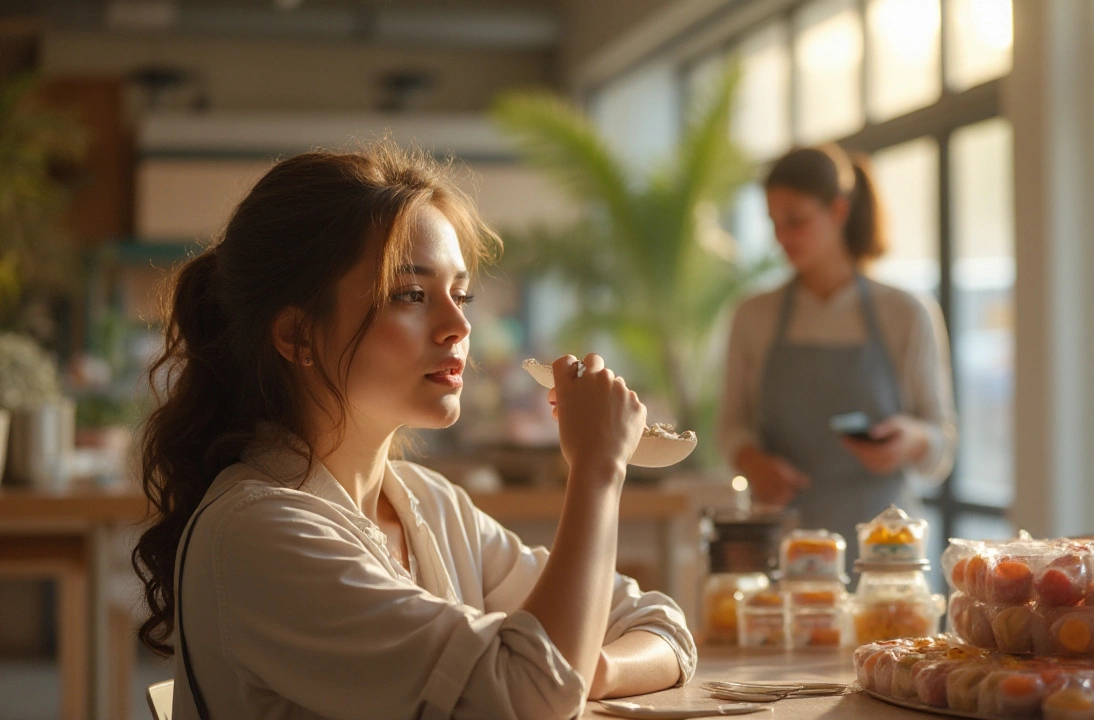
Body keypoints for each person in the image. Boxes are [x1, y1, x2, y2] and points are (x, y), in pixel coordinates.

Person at [131, 142, 695, 719]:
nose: (459, 325)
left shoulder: (430, 503)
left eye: (461, 293)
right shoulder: (257, 532)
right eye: (410, 295)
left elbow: (662, 626)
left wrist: (583, 666)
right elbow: (532, 700)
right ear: (297, 336)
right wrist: (599, 468)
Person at [717, 145, 957, 545]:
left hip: (886, 551)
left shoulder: (906, 313)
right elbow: (729, 426)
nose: (783, 237)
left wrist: (910, 439)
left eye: (795, 220)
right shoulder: (753, 316)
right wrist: (752, 462)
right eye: (774, 222)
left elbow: (941, 445)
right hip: (781, 542)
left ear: (839, 211)